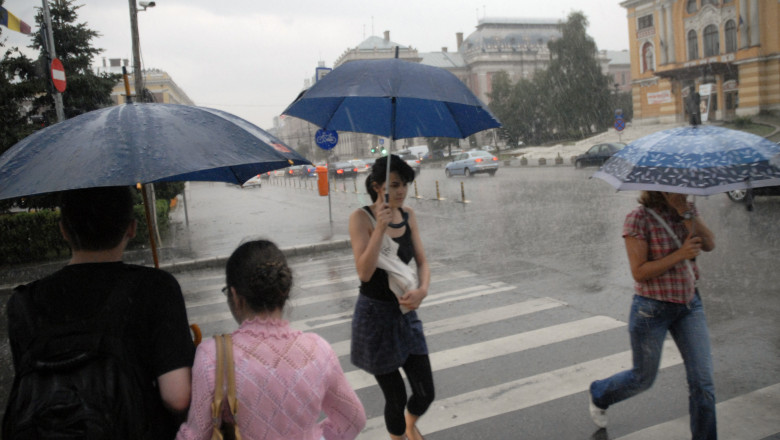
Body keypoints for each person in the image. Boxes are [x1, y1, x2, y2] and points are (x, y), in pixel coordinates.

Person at [4, 186, 194, 438]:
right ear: (132, 228)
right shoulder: (155, 288)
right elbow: (177, 396)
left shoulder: (23, 303)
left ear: (63, 230)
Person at [176, 239, 366, 440]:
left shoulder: (212, 356)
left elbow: (195, 436)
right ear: (284, 291)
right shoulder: (319, 350)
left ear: (235, 295)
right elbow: (354, 419)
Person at [589, 191, 717, 439]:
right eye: (671, 186)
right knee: (642, 378)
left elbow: (710, 243)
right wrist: (681, 254)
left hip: (690, 305)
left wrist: (685, 214)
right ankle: (600, 392)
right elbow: (639, 271)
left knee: (703, 383)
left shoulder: (687, 212)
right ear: (656, 188)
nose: (678, 191)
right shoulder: (638, 219)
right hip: (651, 310)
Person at [348, 155, 434, 440]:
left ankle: (410, 425)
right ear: (377, 186)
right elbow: (364, 272)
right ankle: (398, 435)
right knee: (395, 398)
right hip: (375, 318)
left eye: (405, 184)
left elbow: (422, 261)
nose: (401, 191)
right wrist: (380, 229)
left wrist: (422, 291)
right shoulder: (361, 218)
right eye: (394, 184)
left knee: (425, 392)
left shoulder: (409, 215)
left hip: (406, 314)